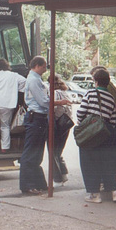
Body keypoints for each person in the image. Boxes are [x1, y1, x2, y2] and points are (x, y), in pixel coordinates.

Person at [19, 55, 70, 194]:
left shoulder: (35, 79)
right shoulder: (34, 80)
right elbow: (43, 101)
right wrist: (59, 102)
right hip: (36, 117)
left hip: (38, 117)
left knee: (37, 153)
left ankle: (38, 183)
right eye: (44, 66)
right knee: (32, 152)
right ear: (37, 65)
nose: (45, 69)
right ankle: (28, 185)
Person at [76, 68, 116, 203]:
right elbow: (112, 120)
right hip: (105, 135)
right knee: (106, 163)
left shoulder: (90, 93)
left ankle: (94, 194)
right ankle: (114, 192)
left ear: (96, 81)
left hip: (91, 135)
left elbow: (80, 113)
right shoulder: (111, 98)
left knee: (89, 163)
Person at [89, 65, 116, 202]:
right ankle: (112, 187)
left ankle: (102, 184)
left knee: (101, 157)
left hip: (106, 124)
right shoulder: (112, 87)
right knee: (111, 156)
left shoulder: (102, 91)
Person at [0, 58, 26, 153]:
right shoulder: (14, 75)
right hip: (8, 104)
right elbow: (25, 81)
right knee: (5, 126)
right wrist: (18, 89)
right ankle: (5, 147)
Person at [52, 74, 73, 184]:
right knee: (59, 150)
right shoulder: (66, 93)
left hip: (58, 124)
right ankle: (64, 173)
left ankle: (59, 176)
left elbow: (53, 107)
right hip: (66, 124)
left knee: (54, 151)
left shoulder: (55, 93)